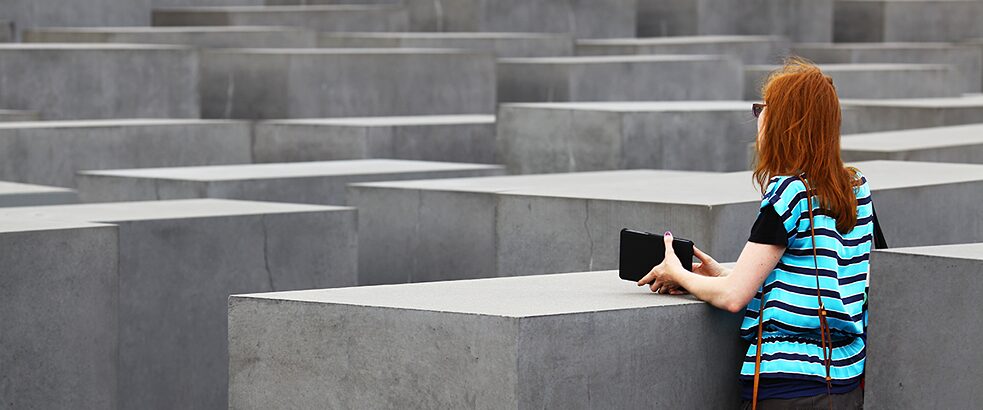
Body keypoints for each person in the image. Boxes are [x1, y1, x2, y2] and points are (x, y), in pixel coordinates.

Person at [639, 58, 886, 409]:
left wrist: (676, 272)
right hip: (846, 382)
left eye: (762, 109)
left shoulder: (789, 192)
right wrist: (725, 273)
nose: (759, 118)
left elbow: (732, 299)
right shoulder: (857, 187)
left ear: (785, 121)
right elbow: (819, 277)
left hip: (786, 386)